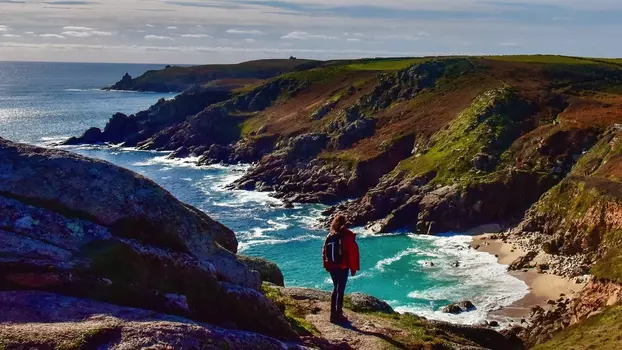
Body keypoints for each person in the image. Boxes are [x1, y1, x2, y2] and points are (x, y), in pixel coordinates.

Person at [323, 214, 360, 323]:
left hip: (332, 266)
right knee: (340, 289)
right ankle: (338, 313)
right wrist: (353, 268)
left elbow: (324, 252)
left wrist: (327, 265)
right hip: (342, 266)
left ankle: (333, 314)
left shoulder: (330, 236)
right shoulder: (347, 236)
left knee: (335, 287)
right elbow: (353, 254)